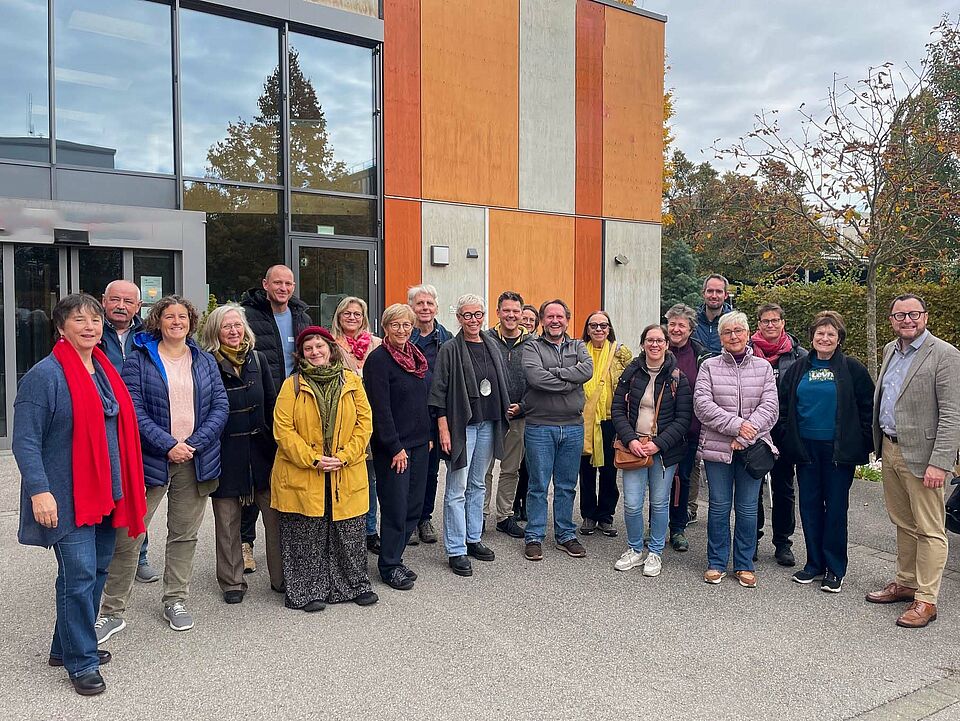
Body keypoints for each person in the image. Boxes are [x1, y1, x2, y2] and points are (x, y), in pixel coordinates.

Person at [14, 294, 146, 696]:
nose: (89, 326)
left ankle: (64, 646)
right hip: (65, 495)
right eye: (78, 320)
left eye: (94, 319)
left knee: (97, 570)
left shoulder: (105, 370)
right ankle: (81, 661)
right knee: (79, 574)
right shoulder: (45, 375)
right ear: (60, 327)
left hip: (106, 490)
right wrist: (39, 491)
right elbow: (25, 440)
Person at [97, 295, 228, 639]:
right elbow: (132, 408)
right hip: (151, 458)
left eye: (182, 316)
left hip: (196, 458)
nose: (176, 322)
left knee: (184, 534)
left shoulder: (203, 359)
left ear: (191, 321)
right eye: (169, 316)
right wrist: (168, 444)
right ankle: (112, 610)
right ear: (158, 321)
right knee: (130, 533)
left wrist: (193, 444)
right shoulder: (139, 359)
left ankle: (175, 599)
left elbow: (220, 405)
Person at [866, 294, 960, 628]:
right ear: (891, 319)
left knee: (931, 529)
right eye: (900, 315)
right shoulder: (891, 350)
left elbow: (952, 414)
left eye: (914, 314)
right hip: (891, 450)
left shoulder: (946, 355)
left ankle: (927, 600)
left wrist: (941, 462)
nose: (907, 320)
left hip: (924, 457)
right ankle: (906, 583)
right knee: (903, 522)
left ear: (925, 316)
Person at [271, 326, 377, 611]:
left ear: (331, 349)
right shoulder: (292, 385)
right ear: (301, 354)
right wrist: (312, 458)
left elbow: (364, 425)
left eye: (320, 346)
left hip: (346, 469)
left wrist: (345, 456)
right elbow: (283, 430)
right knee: (305, 534)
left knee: (348, 531)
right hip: (304, 471)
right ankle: (307, 591)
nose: (315, 352)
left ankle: (352, 585)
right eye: (309, 348)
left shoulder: (353, 382)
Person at [775, 312, 874, 593]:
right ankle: (814, 563)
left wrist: (862, 444)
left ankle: (835, 568)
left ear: (839, 338)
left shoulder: (852, 369)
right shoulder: (797, 369)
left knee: (835, 510)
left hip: (838, 452)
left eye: (831, 334)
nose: (825, 338)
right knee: (809, 507)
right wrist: (787, 439)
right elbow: (783, 407)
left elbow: (868, 407)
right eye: (820, 334)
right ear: (812, 337)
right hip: (805, 449)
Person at [199, 304, 281, 604]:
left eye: (237, 326)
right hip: (224, 452)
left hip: (262, 452)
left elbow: (273, 407)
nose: (233, 332)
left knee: (274, 519)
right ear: (215, 332)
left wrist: (277, 449)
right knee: (228, 522)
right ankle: (232, 581)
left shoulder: (258, 360)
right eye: (226, 327)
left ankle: (281, 577)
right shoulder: (207, 363)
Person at [694, 310, 779, 588]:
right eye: (728, 332)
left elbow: (770, 408)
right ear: (720, 337)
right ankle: (716, 562)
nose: (734, 336)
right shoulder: (709, 367)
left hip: (753, 449)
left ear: (747, 334)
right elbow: (703, 406)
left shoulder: (763, 368)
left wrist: (745, 435)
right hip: (719, 449)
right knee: (719, 507)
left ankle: (744, 563)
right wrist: (737, 426)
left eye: (738, 331)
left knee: (746, 508)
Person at [239, 265, 313, 574]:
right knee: (256, 476)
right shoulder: (247, 315)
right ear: (265, 284)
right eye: (277, 282)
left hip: (295, 405)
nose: (283, 288)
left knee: (288, 473)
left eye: (288, 283)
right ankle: (245, 543)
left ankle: (284, 542)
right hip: (259, 404)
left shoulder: (302, 317)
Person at [429, 294, 510, 576]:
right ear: (459, 318)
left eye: (478, 314)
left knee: (478, 484)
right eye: (467, 315)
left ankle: (473, 538)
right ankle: (455, 549)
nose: (473, 320)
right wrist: (443, 428)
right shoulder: (450, 348)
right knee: (457, 488)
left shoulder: (491, 345)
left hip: (488, 423)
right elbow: (438, 391)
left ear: (484, 316)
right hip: (462, 425)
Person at [611, 324, 692, 576]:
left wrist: (658, 444)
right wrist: (630, 440)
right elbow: (617, 410)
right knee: (633, 504)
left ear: (667, 344)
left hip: (664, 451)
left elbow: (683, 418)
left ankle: (655, 552)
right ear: (643, 343)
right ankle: (635, 549)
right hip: (633, 447)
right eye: (650, 340)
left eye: (659, 340)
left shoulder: (678, 377)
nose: (654, 344)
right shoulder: (631, 373)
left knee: (659, 503)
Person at [364, 304, 432, 591]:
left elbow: (421, 400)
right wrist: (394, 446)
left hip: (419, 444)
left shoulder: (415, 356)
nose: (402, 330)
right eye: (396, 325)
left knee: (414, 508)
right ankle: (389, 565)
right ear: (385, 328)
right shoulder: (378, 360)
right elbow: (380, 410)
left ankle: (396, 555)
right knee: (395, 506)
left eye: (406, 325)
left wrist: (427, 434)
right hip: (394, 448)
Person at [521, 299, 593, 561]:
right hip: (540, 426)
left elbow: (587, 370)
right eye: (549, 316)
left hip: (573, 427)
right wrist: (568, 382)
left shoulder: (579, 346)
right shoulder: (531, 346)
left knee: (566, 485)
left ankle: (565, 534)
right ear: (542, 320)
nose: (555, 321)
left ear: (567, 319)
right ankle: (534, 536)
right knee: (538, 485)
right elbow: (535, 377)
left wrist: (555, 373)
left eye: (559, 316)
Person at [100, 279, 158, 585]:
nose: (121, 306)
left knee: (138, 491)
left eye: (128, 301)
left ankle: (140, 555)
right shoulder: (94, 332)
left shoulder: (147, 336)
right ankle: (108, 553)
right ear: (104, 301)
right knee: (108, 489)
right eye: (115, 299)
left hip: (139, 424)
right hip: (103, 425)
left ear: (138, 306)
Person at [750, 303, 808, 567]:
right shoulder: (747, 352)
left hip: (784, 431)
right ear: (758, 324)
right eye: (765, 321)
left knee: (784, 488)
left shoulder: (799, 356)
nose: (770, 325)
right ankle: (751, 538)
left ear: (783, 322)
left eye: (775, 320)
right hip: (754, 429)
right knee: (752, 488)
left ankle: (783, 542)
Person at [331, 296, 382, 554]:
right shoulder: (331, 346)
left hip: (376, 417)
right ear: (339, 317)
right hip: (346, 420)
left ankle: (370, 530)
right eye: (347, 313)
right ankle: (348, 527)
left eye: (357, 314)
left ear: (364, 318)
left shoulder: (377, 344)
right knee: (349, 475)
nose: (352, 318)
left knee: (370, 477)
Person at [579, 311, 632, 537]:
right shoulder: (578, 351)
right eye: (594, 326)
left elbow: (631, 383)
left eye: (603, 325)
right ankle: (589, 515)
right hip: (584, 420)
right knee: (587, 472)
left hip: (612, 419)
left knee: (609, 472)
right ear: (587, 329)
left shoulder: (621, 353)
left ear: (609, 329)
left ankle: (606, 516)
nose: (599, 330)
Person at [483, 291, 530, 539]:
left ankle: (504, 516)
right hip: (491, 415)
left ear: (521, 314)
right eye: (506, 310)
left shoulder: (533, 343)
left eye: (515, 311)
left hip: (520, 416)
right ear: (498, 311)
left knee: (511, 469)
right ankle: (479, 516)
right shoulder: (486, 339)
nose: (511, 315)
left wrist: (523, 405)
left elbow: (537, 381)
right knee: (484, 469)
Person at [408, 284, 453, 545]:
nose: (425, 308)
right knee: (409, 469)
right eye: (419, 304)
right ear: (411, 307)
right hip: (409, 413)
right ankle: (408, 518)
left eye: (429, 304)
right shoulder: (403, 334)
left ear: (436, 307)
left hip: (436, 413)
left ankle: (424, 517)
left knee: (430, 470)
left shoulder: (446, 338)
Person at [664, 303, 710, 548]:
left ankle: (678, 527)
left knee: (682, 479)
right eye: (672, 324)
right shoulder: (658, 348)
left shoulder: (701, 356)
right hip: (658, 431)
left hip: (689, 430)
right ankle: (657, 524)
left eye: (682, 325)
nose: (676, 329)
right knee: (660, 481)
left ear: (691, 329)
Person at [513, 303, 541, 521]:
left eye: (532, 320)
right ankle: (513, 504)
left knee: (529, 466)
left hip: (533, 413)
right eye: (525, 319)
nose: (527, 323)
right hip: (514, 412)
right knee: (513, 465)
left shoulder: (538, 346)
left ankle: (525, 503)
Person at [692, 274, 733, 356]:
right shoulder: (692, 320)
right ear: (703, 293)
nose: (714, 296)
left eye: (719, 291)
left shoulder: (734, 322)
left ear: (726, 295)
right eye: (710, 291)